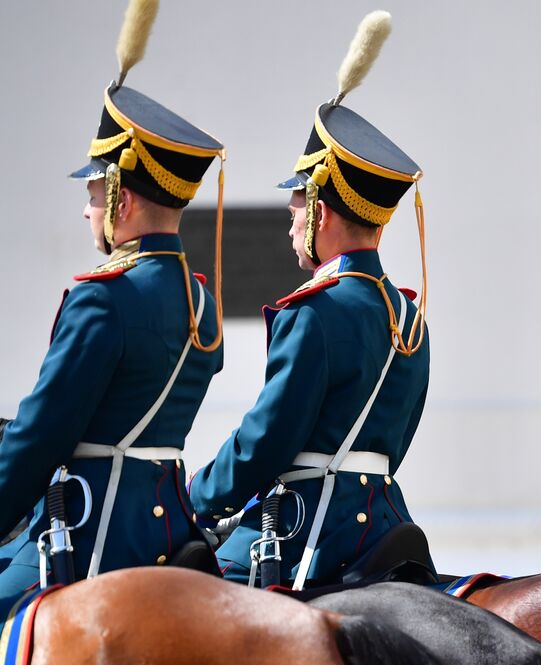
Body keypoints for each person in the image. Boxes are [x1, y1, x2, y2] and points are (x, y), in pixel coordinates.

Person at [188, 12, 430, 590]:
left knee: (181, 594)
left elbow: (267, 439)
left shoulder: (313, 311)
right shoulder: (410, 316)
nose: (291, 217)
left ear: (321, 207)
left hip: (310, 530)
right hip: (388, 522)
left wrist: (197, 493)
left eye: (297, 201)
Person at [0, 0, 224, 612]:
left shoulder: (102, 300)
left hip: (90, 535)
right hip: (173, 532)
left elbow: (41, 435)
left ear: (123, 199)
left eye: (94, 192)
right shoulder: (201, 304)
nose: (87, 208)